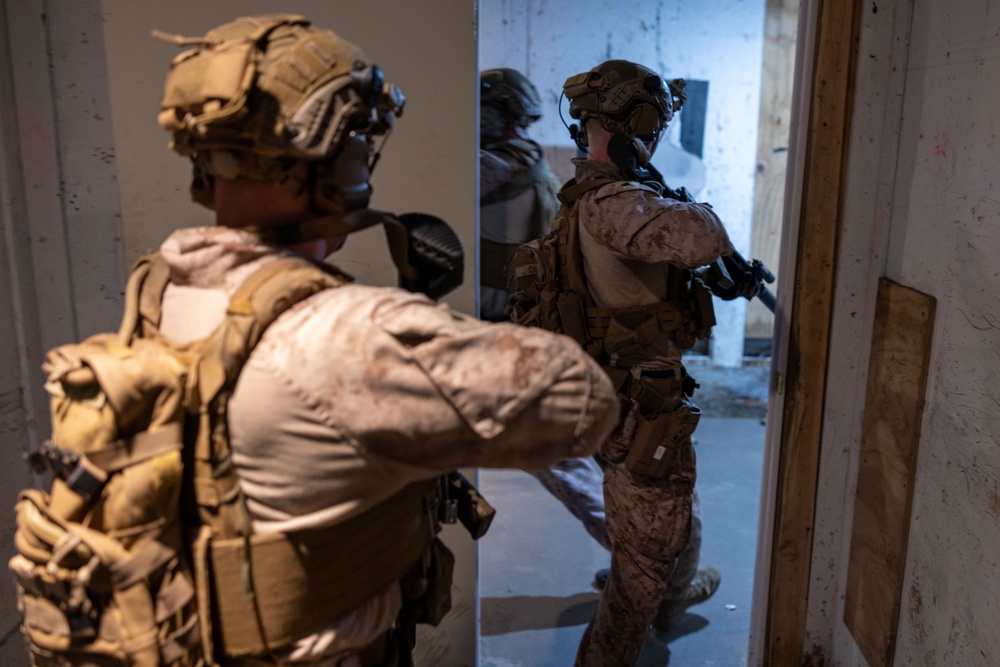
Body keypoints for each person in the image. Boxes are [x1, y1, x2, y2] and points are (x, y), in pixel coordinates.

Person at [149, 15, 620, 666]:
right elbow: (584, 403)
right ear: (339, 160)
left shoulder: (156, 288)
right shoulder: (352, 333)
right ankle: (637, 556)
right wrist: (412, 319)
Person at [554, 59, 750, 666]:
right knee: (640, 566)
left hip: (631, 393)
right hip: (638, 403)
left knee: (674, 517)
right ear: (638, 122)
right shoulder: (615, 201)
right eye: (656, 123)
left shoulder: (592, 194)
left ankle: (672, 599)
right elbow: (696, 238)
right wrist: (706, 223)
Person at [478, 67, 610, 550]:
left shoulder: (490, 166)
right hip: (525, 331)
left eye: (483, 111)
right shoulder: (524, 160)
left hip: (504, 339)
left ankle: (649, 573)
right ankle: (651, 571)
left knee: (553, 455)